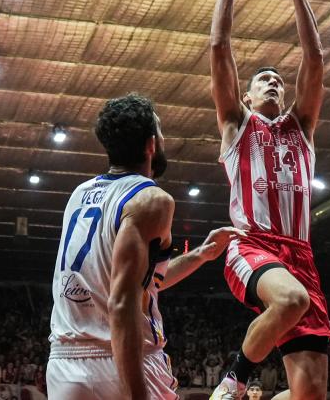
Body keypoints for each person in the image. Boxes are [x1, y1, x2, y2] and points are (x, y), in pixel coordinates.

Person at [45, 93, 242, 400]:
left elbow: (142, 281)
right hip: (119, 358)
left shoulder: (79, 194)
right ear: (151, 144)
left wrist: (200, 255)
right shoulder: (152, 200)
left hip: (64, 363)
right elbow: (121, 303)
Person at [208, 0, 330, 400]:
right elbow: (220, 48)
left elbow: (315, 58)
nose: (274, 83)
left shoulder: (301, 127)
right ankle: (234, 379)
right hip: (252, 246)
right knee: (291, 299)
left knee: (310, 394)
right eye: (263, 80)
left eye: (279, 80)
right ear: (247, 96)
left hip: (302, 254)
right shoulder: (237, 125)